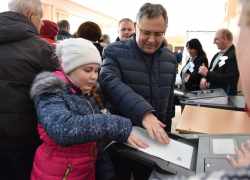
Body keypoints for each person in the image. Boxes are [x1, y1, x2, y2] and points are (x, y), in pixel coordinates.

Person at [30, 38, 148, 180]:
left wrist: (106, 174)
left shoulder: (88, 94)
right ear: (69, 68)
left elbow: (95, 142)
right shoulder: (50, 92)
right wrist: (116, 125)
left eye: (96, 70)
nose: (94, 76)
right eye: (87, 70)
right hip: (57, 173)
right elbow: (63, 129)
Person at [100, 3, 176, 179]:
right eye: (146, 32)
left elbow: (168, 103)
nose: (152, 39)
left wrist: (167, 134)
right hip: (121, 144)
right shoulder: (114, 51)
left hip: (154, 147)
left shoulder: (170, 59)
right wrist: (145, 113)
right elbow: (110, 83)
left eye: (158, 34)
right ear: (136, 27)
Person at [0, 0, 59, 179]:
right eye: (41, 17)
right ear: (30, 15)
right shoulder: (41, 48)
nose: (42, 23)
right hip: (24, 139)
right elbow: (55, 94)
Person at [198, 28, 239, 95]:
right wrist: (204, 78)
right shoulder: (217, 55)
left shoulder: (234, 55)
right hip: (213, 94)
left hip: (224, 97)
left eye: (216, 39)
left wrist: (207, 74)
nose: (214, 42)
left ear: (225, 39)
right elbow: (210, 69)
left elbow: (229, 78)